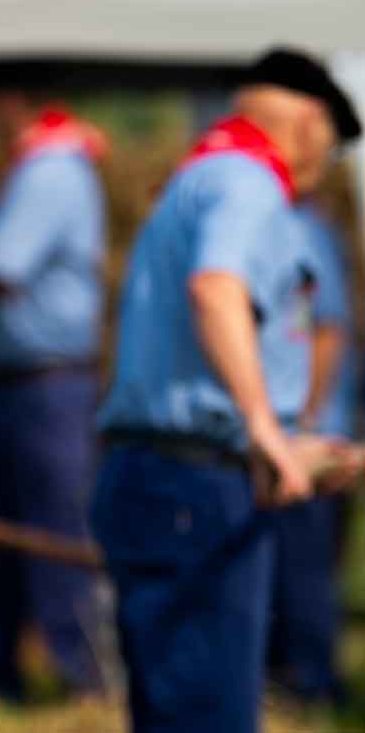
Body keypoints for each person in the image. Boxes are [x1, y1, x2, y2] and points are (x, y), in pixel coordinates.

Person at [92, 47, 361, 733]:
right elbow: (216, 287)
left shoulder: (202, 176)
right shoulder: (248, 182)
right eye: (332, 146)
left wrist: (284, 440)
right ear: (309, 121)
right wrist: (266, 431)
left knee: (174, 704)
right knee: (209, 712)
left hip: (172, 472)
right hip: (197, 483)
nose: (324, 166)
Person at [0, 90, 106, 699]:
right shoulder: (57, 162)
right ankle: (3, 673)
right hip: (32, 384)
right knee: (6, 530)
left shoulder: (47, 168)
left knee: (50, 529)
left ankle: (79, 681)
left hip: (46, 388)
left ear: (12, 101)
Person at [267, 197, 359, 703]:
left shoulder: (299, 232)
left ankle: (314, 688)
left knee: (303, 574)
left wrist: (303, 423)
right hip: (291, 435)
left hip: (307, 438)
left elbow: (324, 330)